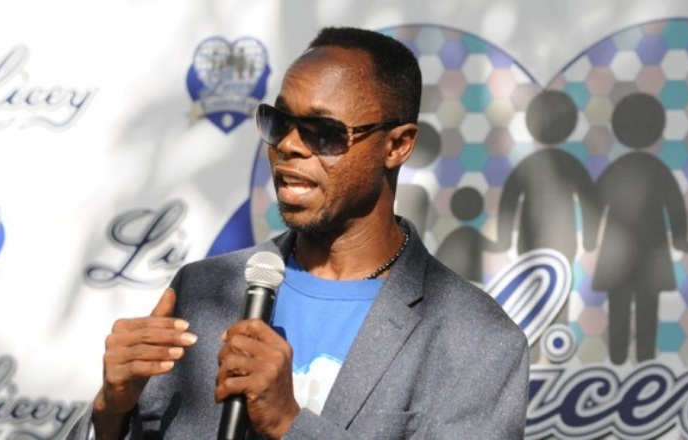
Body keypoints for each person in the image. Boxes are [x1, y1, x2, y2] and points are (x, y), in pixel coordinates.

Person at [68, 26, 529, 439]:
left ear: (397, 145)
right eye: (280, 122)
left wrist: (290, 424)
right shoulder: (203, 290)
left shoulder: (476, 340)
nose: (288, 145)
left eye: (323, 132)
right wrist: (111, 414)